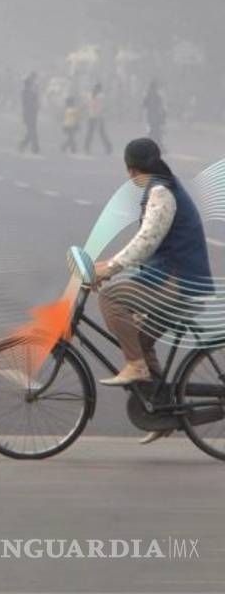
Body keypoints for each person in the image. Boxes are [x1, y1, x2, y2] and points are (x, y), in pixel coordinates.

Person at [93, 138, 214, 442]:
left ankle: (134, 366)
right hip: (175, 278)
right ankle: (162, 415)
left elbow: (148, 241)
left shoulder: (161, 192)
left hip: (181, 284)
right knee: (142, 341)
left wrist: (111, 269)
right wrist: (111, 265)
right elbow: (151, 249)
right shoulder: (161, 186)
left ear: (130, 169)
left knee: (110, 298)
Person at [83, 82, 112, 155]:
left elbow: (86, 105)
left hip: (91, 116)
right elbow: (102, 107)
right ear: (100, 89)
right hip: (99, 117)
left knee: (90, 133)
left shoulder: (90, 95)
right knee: (101, 133)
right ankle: (108, 147)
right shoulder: (101, 96)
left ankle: (86, 148)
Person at [17, 73, 40, 154]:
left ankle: (33, 147)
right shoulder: (25, 92)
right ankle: (32, 146)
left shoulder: (29, 92)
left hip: (31, 113)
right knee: (32, 131)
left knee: (32, 131)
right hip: (29, 113)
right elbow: (29, 103)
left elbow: (35, 102)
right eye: (30, 83)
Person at [142, 79, 166, 148]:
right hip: (156, 116)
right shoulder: (157, 95)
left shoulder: (148, 94)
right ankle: (158, 145)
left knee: (152, 131)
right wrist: (163, 115)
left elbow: (144, 104)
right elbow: (160, 106)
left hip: (150, 115)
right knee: (156, 131)